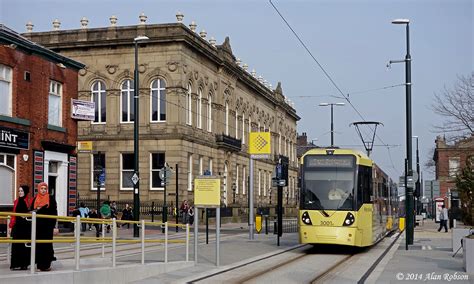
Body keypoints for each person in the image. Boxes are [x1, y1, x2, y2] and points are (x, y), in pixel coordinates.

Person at [30, 182, 57, 271]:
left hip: (47, 226)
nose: (43, 190)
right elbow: (31, 211)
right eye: (42, 188)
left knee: (47, 244)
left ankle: (46, 265)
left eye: (45, 188)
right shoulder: (35, 199)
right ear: (39, 189)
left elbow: (54, 212)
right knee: (38, 245)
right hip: (37, 226)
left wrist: (54, 227)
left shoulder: (51, 199)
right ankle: (39, 265)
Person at [9, 185, 32, 270]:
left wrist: (27, 214)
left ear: (25, 192)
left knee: (24, 245)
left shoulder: (29, 201)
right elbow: (13, 215)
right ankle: (16, 264)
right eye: (19, 191)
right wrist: (10, 226)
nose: (20, 192)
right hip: (17, 226)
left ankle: (24, 264)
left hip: (26, 226)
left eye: (22, 191)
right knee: (16, 245)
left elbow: (31, 212)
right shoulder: (16, 201)